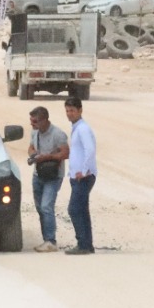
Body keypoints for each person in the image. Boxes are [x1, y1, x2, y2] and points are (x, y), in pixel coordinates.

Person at [25, 105, 69, 252]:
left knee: (46, 207)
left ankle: (51, 240)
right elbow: (30, 148)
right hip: (38, 174)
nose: (33, 124)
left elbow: (65, 153)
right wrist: (34, 154)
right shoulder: (34, 132)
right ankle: (46, 240)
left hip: (53, 176)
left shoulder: (58, 134)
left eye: (35, 121)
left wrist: (48, 157)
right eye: (31, 121)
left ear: (45, 120)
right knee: (39, 208)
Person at [63, 95, 97, 254]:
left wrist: (84, 171)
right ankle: (87, 244)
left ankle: (82, 244)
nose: (70, 113)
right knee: (82, 209)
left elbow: (90, 150)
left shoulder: (83, 128)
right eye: (67, 111)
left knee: (74, 209)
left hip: (83, 177)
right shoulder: (77, 127)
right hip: (77, 176)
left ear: (80, 110)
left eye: (72, 111)